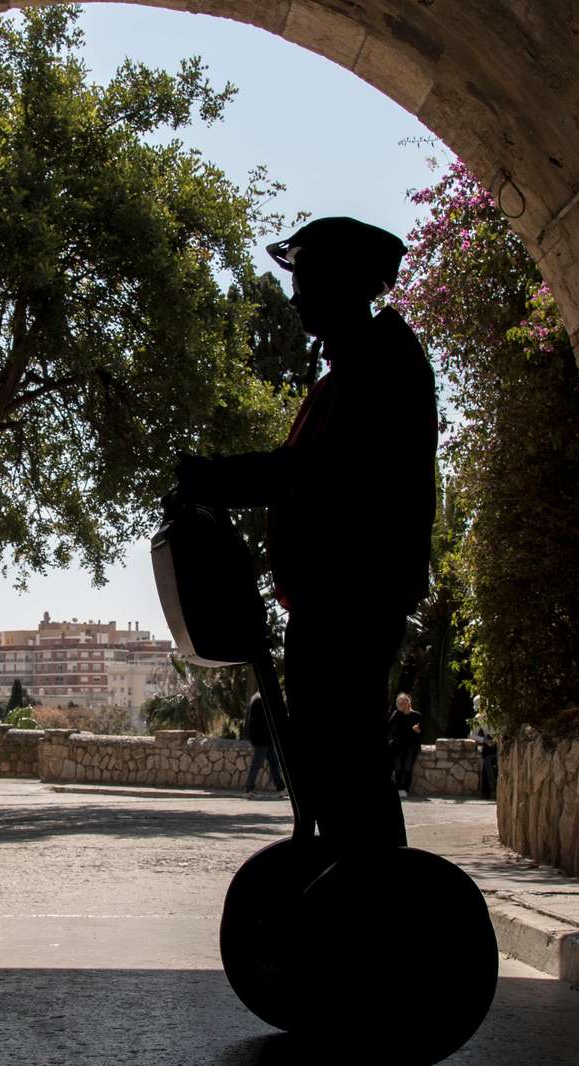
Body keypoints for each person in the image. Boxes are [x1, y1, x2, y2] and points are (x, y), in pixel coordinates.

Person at [174, 216, 437, 854]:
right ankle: (354, 889)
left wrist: (216, 477)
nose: (294, 297)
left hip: (354, 599)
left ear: (345, 284)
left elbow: (314, 472)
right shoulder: (351, 369)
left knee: (345, 761)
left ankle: (377, 900)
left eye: (308, 280)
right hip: (332, 599)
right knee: (331, 763)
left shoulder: (379, 366)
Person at [242, 692, 285, 799]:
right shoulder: (259, 702)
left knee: (274, 764)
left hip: (266, 740)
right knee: (257, 765)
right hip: (262, 740)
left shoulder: (256, 700)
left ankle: (281, 789)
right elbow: (262, 723)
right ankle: (248, 789)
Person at [387, 692, 424, 797]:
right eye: (399, 703)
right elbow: (389, 727)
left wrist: (417, 730)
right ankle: (399, 788)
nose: (401, 705)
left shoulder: (416, 715)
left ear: (408, 702)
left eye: (403, 702)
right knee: (398, 767)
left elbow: (421, 732)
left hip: (412, 745)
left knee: (408, 766)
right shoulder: (397, 714)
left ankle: (405, 789)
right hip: (399, 745)